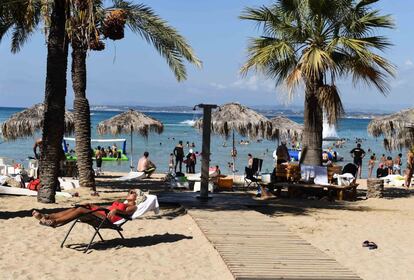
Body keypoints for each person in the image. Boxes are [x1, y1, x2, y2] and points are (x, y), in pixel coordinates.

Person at [32, 189, 142, 227]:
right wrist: (93, 206)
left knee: (80, 210)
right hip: (103, 213)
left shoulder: (133, 206)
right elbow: (108, 208)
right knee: (81, 206)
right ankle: (48, 216)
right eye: (129, 191)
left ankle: (55, 221)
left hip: (107, 219)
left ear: (137, 197)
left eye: (132, 192)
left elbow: (127, 215)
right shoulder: (124, 202)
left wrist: (116, 210)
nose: (129, 193)